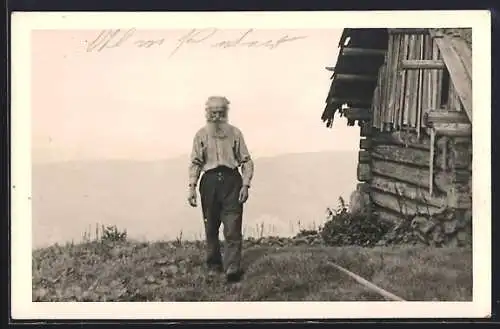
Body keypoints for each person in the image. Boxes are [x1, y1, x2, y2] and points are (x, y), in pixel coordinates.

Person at [187, 96, 254, 283]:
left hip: (231, 181)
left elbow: (246, 160)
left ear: (226, 113)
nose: (217, 117)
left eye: (220, 113)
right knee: (211, 226)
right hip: (209, 183)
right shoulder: (201, 135)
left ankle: (232, 268)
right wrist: (191, 187)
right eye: (213, 113)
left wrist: (246, 184)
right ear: (207, 113)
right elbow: (195, 162)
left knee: (232, 226)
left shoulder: (235, 134)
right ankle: (214, 265)